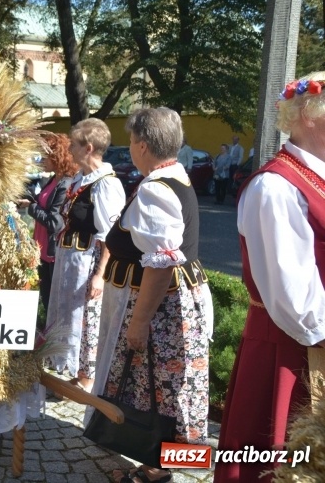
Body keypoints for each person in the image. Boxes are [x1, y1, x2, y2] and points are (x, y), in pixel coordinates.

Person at [90, 108, 211, 483]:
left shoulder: (155, 190)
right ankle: (165, 462)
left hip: (160, 309)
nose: (130, 148)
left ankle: (157, 467)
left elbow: (160, 264)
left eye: (131, 141)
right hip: (175, 303)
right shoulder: (175, 177)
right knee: (169, 387)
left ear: (142, 145)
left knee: (159, 387)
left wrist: (139, 322)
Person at [215, 73, 325, 482]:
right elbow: (295, 302)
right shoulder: (276, 189)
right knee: (276, 462)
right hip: (291, 353)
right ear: (310, 116)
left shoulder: (315, 179)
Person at [45, 119, 126, 391]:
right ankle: (75, 371)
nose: (69, 149)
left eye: (74, 144)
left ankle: (88, 378)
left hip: (88, 262)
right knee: (69, 316)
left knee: (87, 317)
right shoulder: (80, 178)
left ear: (88, 148)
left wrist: (100, 275)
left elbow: (110, 235)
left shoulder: (106, 184)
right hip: (70, 260)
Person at [17, 133, 77, 323]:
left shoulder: (65, 183)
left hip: (52, 253)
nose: (41, 160)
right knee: (46, 299)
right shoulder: (53, 180)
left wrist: (31, 207)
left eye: (45, 156)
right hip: (42, 249)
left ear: (57, 156)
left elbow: (55, 223)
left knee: (52, 303)